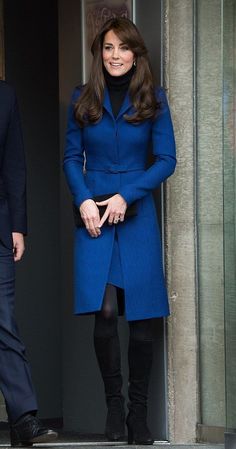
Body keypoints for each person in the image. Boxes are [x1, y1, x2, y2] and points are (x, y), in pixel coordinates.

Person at [64, 17, 176, 445]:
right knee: (106, 311)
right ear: (100, 53)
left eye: (123, 48)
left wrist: (128, 194)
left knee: (143, 320)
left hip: (135, 213)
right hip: (93, 213)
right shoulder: (82, 97)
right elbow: (71, 158)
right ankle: (114, 403)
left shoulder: (154, 99)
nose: (115, 56)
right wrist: (83, 199)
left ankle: (138, 414)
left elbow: (166, 159)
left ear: (136, 54)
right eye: (108, 47)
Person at [0, 80, 58, 446]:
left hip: (0, 227)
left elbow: (14, 164)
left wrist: (18, 225)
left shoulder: (5, 95)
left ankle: (23, 419)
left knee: (3, 319)